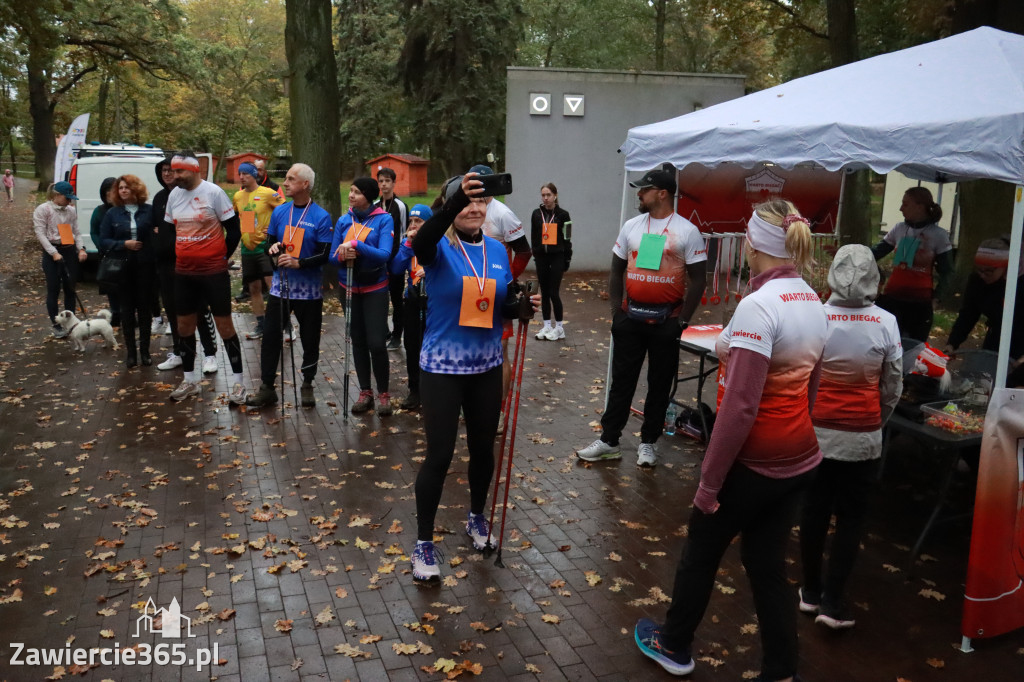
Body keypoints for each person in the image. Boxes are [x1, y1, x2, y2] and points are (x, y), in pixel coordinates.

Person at [634, 199, 826, 682]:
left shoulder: (758, 307)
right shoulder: (813, 300)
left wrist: (709, 484)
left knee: (701, 553)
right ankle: (782, 669)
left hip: (753, 463)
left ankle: (675, 646)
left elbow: (739, 409)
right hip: (799, 459)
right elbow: (813, 391)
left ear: (752, 245)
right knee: (767, 567)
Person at [409, 173, 538, 581]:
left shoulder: (498, 251)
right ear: (450, 206)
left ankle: (476, 517)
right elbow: (418, 243)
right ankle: (424, 543)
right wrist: (452, 202)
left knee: (483, 449)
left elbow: (494, 303)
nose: (475, 208)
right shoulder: (438, 248)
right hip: (443, 369)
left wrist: (520, 308)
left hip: (485, 367)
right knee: (440, 455)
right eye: (466, 201)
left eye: (481, 202)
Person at [798, 244, 903, 630]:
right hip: (862, 437)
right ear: (874, 277)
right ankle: (833, 601)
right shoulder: (886, 323)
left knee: (813, 511)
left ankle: (809, 591)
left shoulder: (815, 318)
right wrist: (878, 420)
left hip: (815, 433)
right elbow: (893, 386)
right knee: (851, 519)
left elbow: (801, 372)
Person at [575, 167, 707, 467]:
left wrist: (682, 320)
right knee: (621, 382)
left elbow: (699, 279)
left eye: (644, 189)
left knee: (659, 384)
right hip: (630, 319)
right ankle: (609, 440)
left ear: (662, 193)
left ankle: (648, 442)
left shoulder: (687, 231)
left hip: (666, 322)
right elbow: (616, 267)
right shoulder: (632, 226)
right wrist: (615, 311)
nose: (639, 193)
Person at [246, 164, 334, 408]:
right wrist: (272, 250)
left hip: (309, 291)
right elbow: (270, 244)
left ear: (305, 184)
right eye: (286, 178)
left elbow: (325, 253)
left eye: (290, 179)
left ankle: (307, 384)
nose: (285, 183)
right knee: (272, 337)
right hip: (281, 288)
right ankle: (266, 387)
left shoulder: (320, 216)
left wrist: (300, 263)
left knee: (309, 339)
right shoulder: (280, 212)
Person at [162, 150, 246, 404]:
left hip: (213, 273)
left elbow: (234, 230)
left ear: (194, 170)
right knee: (184, 327)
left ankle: (239, 384)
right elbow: (168, 229)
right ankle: (189, 381)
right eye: (173, 171)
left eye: (179, 171)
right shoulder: (173, 195)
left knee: (225, 327)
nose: (174, 176)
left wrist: (222, 257)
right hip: (184, 273)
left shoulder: (213, 193)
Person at [329, 177, 394, 415]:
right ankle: (365, 392)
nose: (351, 195)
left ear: (368, 195)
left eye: (356, 192)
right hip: (348, 289)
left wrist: (356, 245)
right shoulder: (344, 220)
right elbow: (332, 257)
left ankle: (384, 393)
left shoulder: (383, 220)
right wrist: (342, 255)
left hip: (375, 289)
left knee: (376, 343)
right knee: (357, 341)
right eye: (351, 191)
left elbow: (384, 254)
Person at [151, 158, 220, 374]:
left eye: (172, 170)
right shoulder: (161, 198)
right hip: (166, 264)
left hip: (192, 262)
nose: (168, 174)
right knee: (173, 310)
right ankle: (180, 352)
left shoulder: (202, 194)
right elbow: (158, 228)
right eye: (163, 171)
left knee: (199, 309)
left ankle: (210, 354)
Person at [872, 187, 953, 342]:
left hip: (920, 302)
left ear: (920, 206)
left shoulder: (939, 235)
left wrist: (937, 298)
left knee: (913, 347)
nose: (901, 208)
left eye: (905, 204)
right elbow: (876, 252)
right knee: (886, 343)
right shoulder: (899, 228)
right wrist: (849, 253)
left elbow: (947, 271)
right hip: (892, 298)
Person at [945, 237, 1024, 388]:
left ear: (1006, 266)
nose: (983, 275)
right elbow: (968, 313)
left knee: (1014, 387)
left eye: (989, 271)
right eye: (979, 269)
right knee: (986, 381)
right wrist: (952, 343)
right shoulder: (977, 281)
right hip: (996, 334)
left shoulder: (1019, 282)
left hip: (1021, 338)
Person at [99, 175, 157, 367]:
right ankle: (131, 353)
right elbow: (103, 241)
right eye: (121, 188)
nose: (123, 190)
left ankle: (146, 352)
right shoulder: (113, 213)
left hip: (145, 266)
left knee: (145, 309)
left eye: (127, 187)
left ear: (136, 189)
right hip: (122, 267)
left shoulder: (149, 211)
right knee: (126, 310)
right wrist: (123, 244)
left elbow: (158, 234)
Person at [234, 162, 284, 339]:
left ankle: (285, 326)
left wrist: (275, 230)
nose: (241, 177)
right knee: (254, 288)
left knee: (274, 287)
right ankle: (261, 325)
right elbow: (242, 218)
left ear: (254, 175)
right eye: (240, 174)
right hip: (248, 249)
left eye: (245, 174)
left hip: (266, 247)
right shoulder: (238, 196)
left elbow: (285, 211)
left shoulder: (268, 193)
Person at [389, 203, 432, 409]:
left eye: (419, 222)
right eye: (411, 222)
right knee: (412, 346)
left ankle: (433, 390)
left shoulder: (439, 242)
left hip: (433, 303)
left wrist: (429, 271)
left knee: (430, 345)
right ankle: (415, 391)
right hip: (413, 300)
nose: (413, 226)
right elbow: (396, 268)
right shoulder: (407, 244)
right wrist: (407, 245)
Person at [33, 181, 86, 338]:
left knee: (70, 288)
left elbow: (76, 231)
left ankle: (71, 323)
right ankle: (56, 325)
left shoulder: (70, 210)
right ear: (57, 196)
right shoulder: (44, 210)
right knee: (54, 288)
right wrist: (53, 252)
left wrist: (81, 248)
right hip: (52, 253)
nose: (69, 201)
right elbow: (40, 233)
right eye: (67, 198)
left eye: (71, 198)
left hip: (68, 250)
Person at [531, 182, 572, 340]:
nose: (546, 198)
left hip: (557, 257)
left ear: (555, 195)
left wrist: (567, 258)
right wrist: (536, 254)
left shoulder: (563, 215)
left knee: (554, 292)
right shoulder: (536, 214)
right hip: (542, 258)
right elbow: (534, 236)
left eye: (549, 195)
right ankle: (547, 325)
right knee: (545, 293)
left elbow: (567, 238)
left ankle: (559, 327)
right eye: (543, 195)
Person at [377, 166, 408, 350]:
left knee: (397, 300)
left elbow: (403, 235)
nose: (384, 184)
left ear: (393, 183)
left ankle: (397, 337)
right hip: (378, 261)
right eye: (381, 181)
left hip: (395, 261)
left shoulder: (400, 206)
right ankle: (385, 333)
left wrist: (397, 261)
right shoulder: (375, 205)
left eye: (387, 181)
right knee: (380, 298)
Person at [90, 177, 120, 326]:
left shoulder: (124, 208)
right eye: (107, 191)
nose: (110, 194)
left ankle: (127, 313)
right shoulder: (99, 211)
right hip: (107, 254)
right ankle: (115, 313)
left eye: (113, 191)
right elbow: (94, 232)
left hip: (124, 253)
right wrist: (101, 246)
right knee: (111, 286)